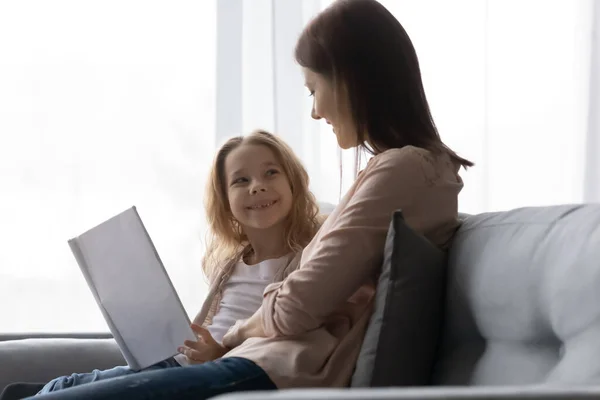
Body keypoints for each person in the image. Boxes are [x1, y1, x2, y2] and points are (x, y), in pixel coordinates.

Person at [30, 0, 473, 398]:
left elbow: (295, 307)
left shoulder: (406, 169)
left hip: (272, 366)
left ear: (351, 80)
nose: (315, 110)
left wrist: (237, 332)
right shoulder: (410, 170)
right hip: (255, 358)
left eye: (313, 89)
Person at [4, 130, 321, 399]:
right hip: (178, 362)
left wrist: (220, 353)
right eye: (241, 179)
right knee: (63, 384)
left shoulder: (310, 256)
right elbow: (206, 330)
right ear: (225, 200)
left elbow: (282, 335)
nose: (256, 186)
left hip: (222, 367)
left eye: (270, 173)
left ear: (293, 181)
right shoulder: (230, 263)